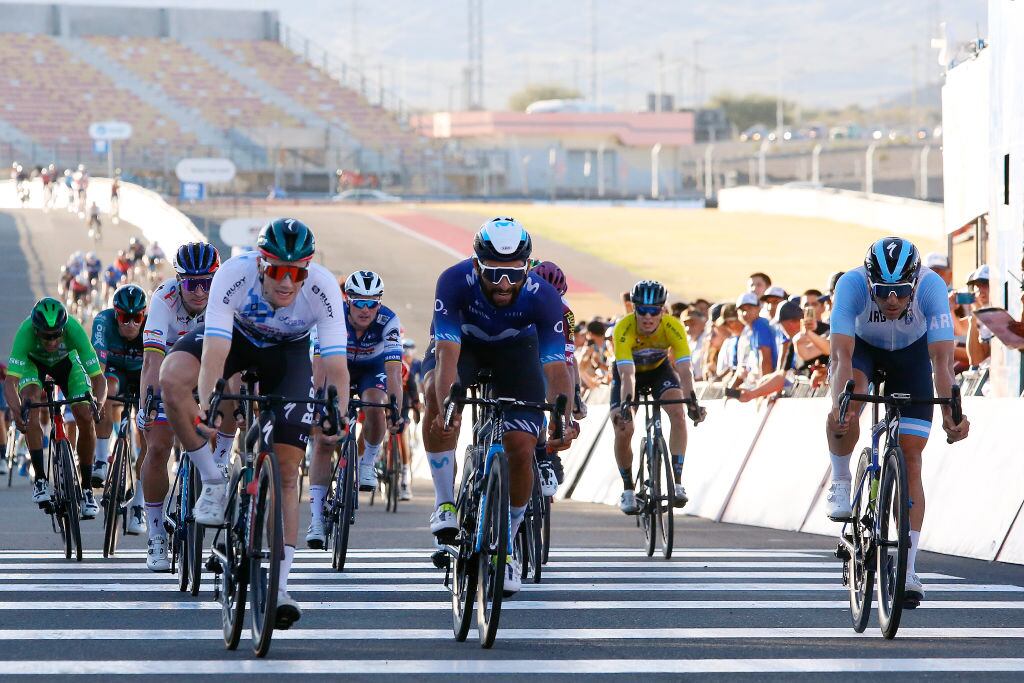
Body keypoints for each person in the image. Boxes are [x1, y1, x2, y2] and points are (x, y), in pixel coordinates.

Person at [160, 219, 348, 625]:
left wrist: (340, 413)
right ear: (261, 265)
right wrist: (208, 405)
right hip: (236, 340)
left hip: (288, 355)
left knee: (285, 469)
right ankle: (212, 480)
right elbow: (214, 352)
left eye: (296, 272)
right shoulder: (232, 275)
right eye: (278, 270)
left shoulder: (323, 287)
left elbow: (336, 366)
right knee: (172, 377)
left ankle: (280, 587)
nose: (287, 282)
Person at [420, 217, 576, 596]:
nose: (504, 285)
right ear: (476, 265)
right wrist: (446, 408)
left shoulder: (544, 296)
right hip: (464, 348)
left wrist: (564, 418)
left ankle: (507, 542)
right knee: (435, 396)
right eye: (493, 274)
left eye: (513, 274)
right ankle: (444, 503)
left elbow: (556, 369)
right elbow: (446, 358)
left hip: (517, 354)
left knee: (522, 447)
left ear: (527, 266)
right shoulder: (454, 280)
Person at [826, 236, 969, 604]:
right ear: (871, 282)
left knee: (911, 458)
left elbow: (941, 362)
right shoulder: (851, 285)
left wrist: (953, 416)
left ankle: (907, 571)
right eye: (885, 291)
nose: (893, 300)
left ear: (915, 283)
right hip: (863, 351)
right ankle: (841, 481)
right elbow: (841, 356)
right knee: (848, 404)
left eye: (902, 291)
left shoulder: (933, 287)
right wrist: (841, 407)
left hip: (912, 356)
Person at [305, 269, 403, 549]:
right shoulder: (330, 316)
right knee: (325, 439)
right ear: (347, 300)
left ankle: (368, 461)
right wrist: (319, 403)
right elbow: (320, 367)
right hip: (338, 367)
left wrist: (395, 408)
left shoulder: (389, 320)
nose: (365, 309)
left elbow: (394, 373)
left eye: (372, 303)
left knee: (378, 405)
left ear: (379, 303)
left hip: (372, 371)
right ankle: (316, 519)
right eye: (358, 302)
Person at [139, 242, 221, 572]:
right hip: (167, 368)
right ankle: (156, 534)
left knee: (214, 430)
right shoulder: (164, 299)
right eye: (191, 283)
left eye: (207, 282)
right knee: (157, 447)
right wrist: (148, 402)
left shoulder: (224, 298)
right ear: (178, 281)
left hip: (203, 368)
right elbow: (151, 361)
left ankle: (213, 477)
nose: (200, 291)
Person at [3, 298, 107, 516]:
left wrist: (97, 403)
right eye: (45, 335)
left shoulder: (74, 329)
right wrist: (16, 411)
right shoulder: (25, 333)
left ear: (64, 328)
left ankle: (87, 489)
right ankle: (40, 479)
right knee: (30, 404)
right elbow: (10, 382)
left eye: (56, 335)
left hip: (67, 364)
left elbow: (99, 379)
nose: (51, 341)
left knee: (84, 415)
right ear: (35, 329)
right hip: (34, 364)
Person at [610, 280, 703, 515]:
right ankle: (628, 489)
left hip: (659, 372)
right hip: (629, 377)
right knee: (624, 428)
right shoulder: (623, 328)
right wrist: (625, 406)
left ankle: (678, 482)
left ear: (663, 310)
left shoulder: (673, 326)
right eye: (642, 310)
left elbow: (684, 369)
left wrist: (691, 399)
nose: (648, 317)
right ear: (634, 309)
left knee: (679, 414)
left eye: (655, 311)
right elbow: (627, 375)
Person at [89, 285, 148, 533]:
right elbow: (98, 370)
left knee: (149, 434)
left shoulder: (154, 323)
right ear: (116, 314)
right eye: (125, 317)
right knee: (107, 389)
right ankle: (102, 458)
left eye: (137, 317)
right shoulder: (103, 322)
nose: (131, 324)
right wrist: (97, 399)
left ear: (144, 316)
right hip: (115, 372)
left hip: (144, 373)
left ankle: (140, 505)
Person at [965, 265, 993, 367]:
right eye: (977, 285)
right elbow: (975, 361)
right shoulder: (980, 317)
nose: (981, 290)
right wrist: (973, 318)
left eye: (985, 284)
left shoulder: (1002, 313)